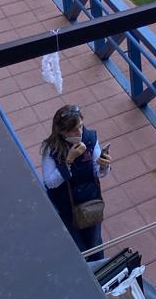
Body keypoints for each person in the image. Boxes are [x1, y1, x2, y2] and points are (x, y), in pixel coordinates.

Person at [41, 104, 111, 260]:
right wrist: (69, 160)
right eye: (73, 130)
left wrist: (104, 166)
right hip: (66, 206)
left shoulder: (90, 138)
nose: (79, 132)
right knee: (78, 246)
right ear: (62, 131)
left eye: (81, 126)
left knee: (95, 243)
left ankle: (100, 273)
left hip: (90, 200)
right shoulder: (50, 148)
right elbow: (50, 182)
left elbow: (97, 172)